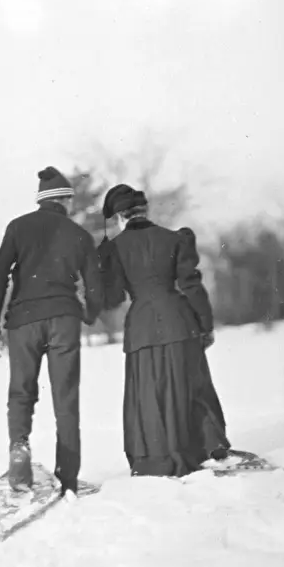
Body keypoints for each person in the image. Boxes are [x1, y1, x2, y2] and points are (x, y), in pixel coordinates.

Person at [0, 166, 103, 497]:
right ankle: (68, 477)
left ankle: (19, 450)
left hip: (23, 322)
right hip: (63, 318)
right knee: (66, 398)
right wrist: (89, 313)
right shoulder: (78, 234)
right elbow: (95, 286)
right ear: (65, 200)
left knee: (21, 392)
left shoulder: (17, 227)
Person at [98, 183, 230, 478]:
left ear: (119, 217)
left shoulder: (114, 249)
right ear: (144, 210)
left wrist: (101, 264)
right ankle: (209, 445)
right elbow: (192, 285)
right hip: (180, 321)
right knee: (193, 385)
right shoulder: (175, 239)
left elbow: (112, 299)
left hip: (142, 328)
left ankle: (157, 459)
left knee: (150, 394)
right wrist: (205, 325)